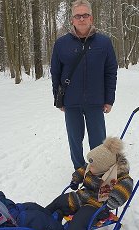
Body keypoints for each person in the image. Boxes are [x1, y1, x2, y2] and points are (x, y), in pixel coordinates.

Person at [50, 0, 118, 170]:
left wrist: (109, 99)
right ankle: (79, 170)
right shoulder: (61, 44)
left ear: (91, 18)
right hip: (71, 102)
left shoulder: (104, 42)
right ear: (72, 19)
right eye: (77, 16)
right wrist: (59, 100)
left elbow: (110, 72)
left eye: (85, 15)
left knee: (98, 141)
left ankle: (99, 171)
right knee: (74, 140)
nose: (81, 19)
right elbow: (55, 73)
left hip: (96, 101)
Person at [46, 137, 133, 230]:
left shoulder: (119, 176)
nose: (89, 167)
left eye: (92, 166)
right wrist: (76, 178)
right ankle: (45, 219)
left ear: (104, 167)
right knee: (60, 201)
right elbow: (83, 169)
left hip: (98, 205)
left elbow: (125, 186)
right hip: (83, 196)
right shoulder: (93, 166)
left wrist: (113, 200)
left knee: (81, 218)